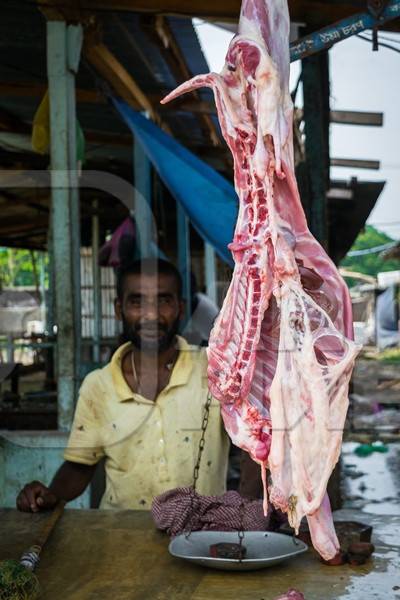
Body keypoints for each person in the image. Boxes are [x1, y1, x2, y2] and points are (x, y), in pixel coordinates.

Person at [17, 259, 230, 512]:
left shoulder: (215, 369)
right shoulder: (98, 386)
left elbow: (253, 445)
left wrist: (246, 506)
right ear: (119, 309)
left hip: (203, 534)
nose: (151, 315)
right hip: (122, 535)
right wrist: (49, 496)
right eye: (137, 302)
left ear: (180, 308)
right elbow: (81, 465)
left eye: (163, 300)